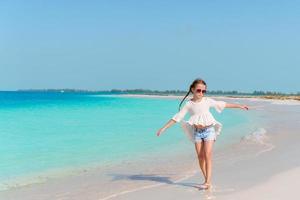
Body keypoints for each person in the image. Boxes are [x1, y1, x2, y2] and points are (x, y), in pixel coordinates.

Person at [156, 78, 249, 190]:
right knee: (200, 157)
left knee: (208, 155)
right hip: (197, 133)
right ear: (193, 89)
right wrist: (164, 128)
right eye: (199, 90)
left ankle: (207, 182)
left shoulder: (207, 101)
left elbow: (222, 104)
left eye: (203, 91)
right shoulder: (189, 104)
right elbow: (177, 117)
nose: (201, 93)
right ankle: (206, 179)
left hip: (209, 130)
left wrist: (239, 106)